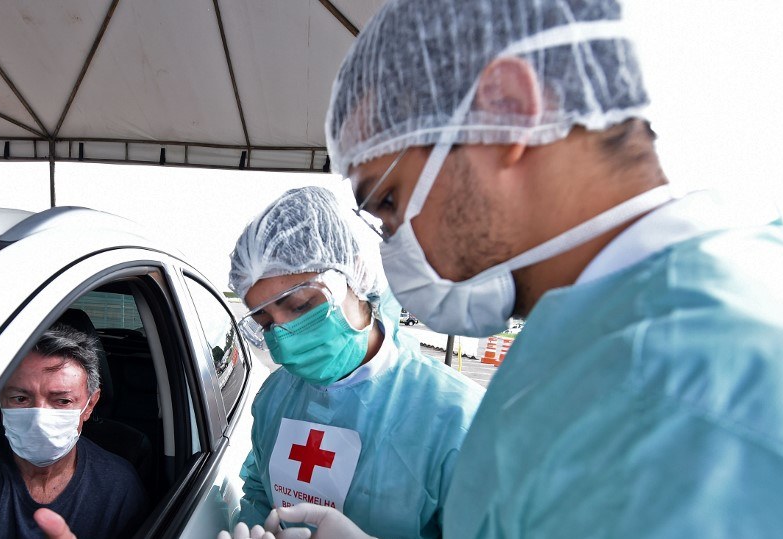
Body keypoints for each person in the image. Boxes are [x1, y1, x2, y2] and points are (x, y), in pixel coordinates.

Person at [233, 0, 783, 537]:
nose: (396, 248)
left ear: (509, 111)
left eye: (391, 201)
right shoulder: (593, 352)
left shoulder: (699, 394)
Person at [219, 186, 483, 539]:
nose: (285, 335)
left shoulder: (460, 420)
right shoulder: (275, 398)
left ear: (355, 273)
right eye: (266, 322)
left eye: (300, 306)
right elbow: (259, 491)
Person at [0, 322, 149, 538]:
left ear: (89, 404)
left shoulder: (119, 485)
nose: (38, 419)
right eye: (20, 398)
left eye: (62, 401)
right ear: (0, 399)